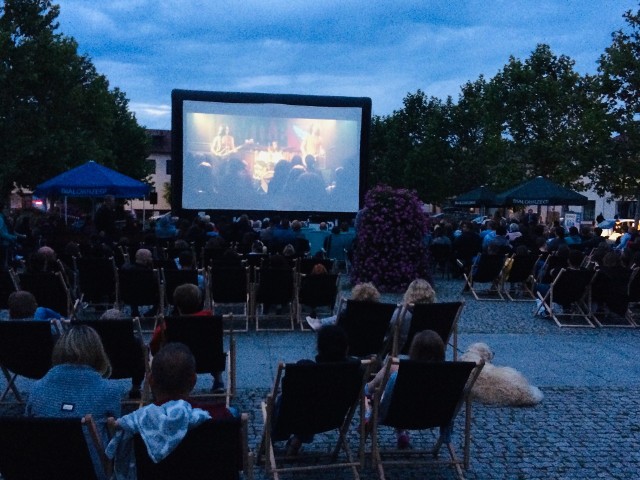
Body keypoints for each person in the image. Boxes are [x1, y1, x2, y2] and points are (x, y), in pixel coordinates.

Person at [106, 342, 236, 480]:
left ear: (150, 380)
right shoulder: (222, 417)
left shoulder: (132, 426)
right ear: (193, 381)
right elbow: (235, 465)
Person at [26, 325, 121, 480]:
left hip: (43, 469)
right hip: (91, 470)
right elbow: (116, 439)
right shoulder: (109, 390)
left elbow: (28, 434)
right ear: (98, 352)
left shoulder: (37, 389)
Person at [275, 324, 355, 455]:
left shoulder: (304, 369)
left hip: (300, 418)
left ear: (319, 348)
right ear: (346, 348)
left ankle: (272, 440)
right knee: (314, 402)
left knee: (283, 399)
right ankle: (295, 443)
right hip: (333, 418)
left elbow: (289, 395)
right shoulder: (355, 370)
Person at [365, 329, 446, 449]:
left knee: (368, 393)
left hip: (394, 414)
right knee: (405, 399)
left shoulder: (397, 371)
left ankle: (367, 416)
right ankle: (401, 433)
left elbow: (383, 402)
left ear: (414, 351)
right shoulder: (448, 376)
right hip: (432, 417)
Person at [150, 283, 225, 393]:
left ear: (177, 305)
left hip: (176, 364)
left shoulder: (167, 325)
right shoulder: (211, 321)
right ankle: (218, 379)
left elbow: (154, 346)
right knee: (214, 347)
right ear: (200, 302)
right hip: (209, 360)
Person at [386, 279, 437, 354]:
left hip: (401, 349)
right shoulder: (436, 313)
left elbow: (390, 332)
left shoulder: (402, 313)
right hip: (429, 350)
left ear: (409, 294)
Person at [306, 282, 381, 330]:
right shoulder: (381, 312)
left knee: (339, 318)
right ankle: (320, 322)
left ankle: (320, 323)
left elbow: (338, 320)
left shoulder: (351, 310)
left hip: (347, 341)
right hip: (373, 344)